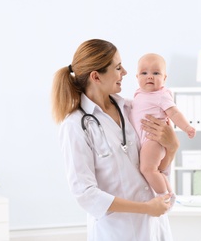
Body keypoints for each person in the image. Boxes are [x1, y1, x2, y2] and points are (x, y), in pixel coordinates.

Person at [51, 39, 180, 241]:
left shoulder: (133, 109)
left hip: (156, 228)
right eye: (118, 67)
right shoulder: (75, 125)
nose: (126, 73)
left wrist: (172, 149)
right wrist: (145, 208)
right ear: (96, 76)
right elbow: (85, 194)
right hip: (118, 233)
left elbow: (153, 168)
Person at [130, 53, 196, 200]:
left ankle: (163, 195)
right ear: (137, 77)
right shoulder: (138, 93)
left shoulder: (162, 95)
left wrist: (187, 128)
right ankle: (168, 189)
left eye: (156, 73)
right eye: (144, 73)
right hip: (143, 139)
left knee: (147, 169)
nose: (150, 76)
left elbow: (174, 113)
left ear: (164, 78)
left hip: (153, 140)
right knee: (155, 170)